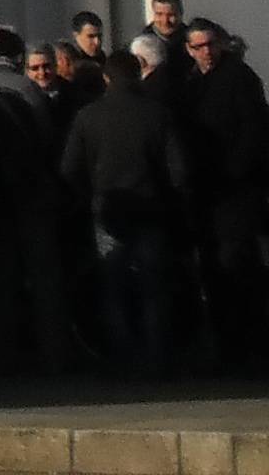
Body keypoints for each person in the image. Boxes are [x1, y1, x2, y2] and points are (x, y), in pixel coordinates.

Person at [62, 37, 183, 378]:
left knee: (114, 286)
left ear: (106, 78)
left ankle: (122, 359)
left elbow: (69, 168)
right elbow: (179, 170)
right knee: (153, 288)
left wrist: (90, 193)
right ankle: (158, 358)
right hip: (150, 210)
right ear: (140, 73)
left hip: (108, 210)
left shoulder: (88, 116)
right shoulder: (157, 114)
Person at [0, 33, 71, 372]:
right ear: (17, 57)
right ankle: (54, 354)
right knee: (45, 278)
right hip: (31, 194)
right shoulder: (27, 89)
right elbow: (45, 137)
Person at [183, 20, 269, 374]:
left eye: (209, 44)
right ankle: (228, 346)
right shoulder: (192, 82)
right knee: (216, 273)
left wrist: (233, 173)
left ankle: (252, 348)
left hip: (234, 192)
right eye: (198, 46)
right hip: (207, 194)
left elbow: (253, 133)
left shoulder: (239, 78)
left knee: (239, 269)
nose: (205, 52)